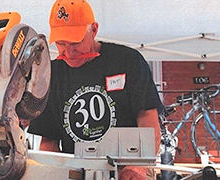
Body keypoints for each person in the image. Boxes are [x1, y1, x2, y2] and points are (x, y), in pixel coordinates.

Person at [28, 0, 161, 179]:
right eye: (61, 43)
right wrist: (54, 172)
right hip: (75, 168)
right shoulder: (51, 75)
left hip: (130, 165)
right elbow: (48, 140)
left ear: (94, 30)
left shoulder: (128, 61)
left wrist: (138, 166)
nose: (68, 52)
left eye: (75, 42)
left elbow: (148, 120)